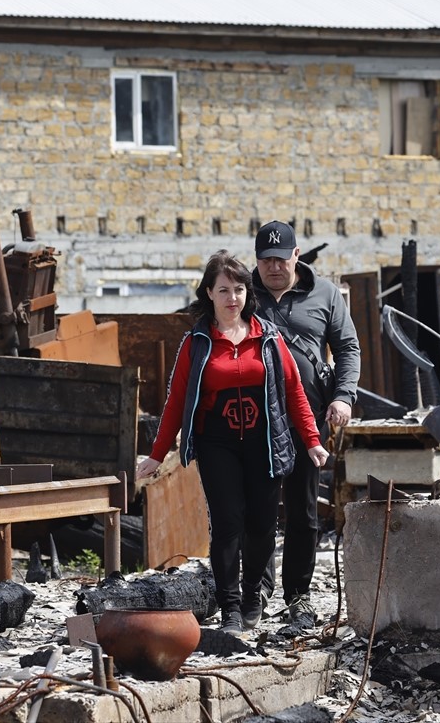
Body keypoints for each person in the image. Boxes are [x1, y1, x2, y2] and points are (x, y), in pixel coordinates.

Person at [138, 250, 329, 634]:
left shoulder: (269, 338)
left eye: (239, 289)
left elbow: (294, 392)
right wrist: (157, 455)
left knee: (260, 524)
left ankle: (252, 596)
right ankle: (229, 608)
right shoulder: (197, 342)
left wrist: (312, 441)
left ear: (247, 293)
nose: (232, 298)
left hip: (264, 442)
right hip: (218, 443)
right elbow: (176, 399)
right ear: (209, 293)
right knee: (227, 524)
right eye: (223, 290)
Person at [252, 220, 360, 630]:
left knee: (302, 511)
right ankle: (257, 591)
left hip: (308, 419)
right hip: (254, 419)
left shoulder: (326, 293)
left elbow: (348, 347)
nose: (274, 268)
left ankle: (298, 594)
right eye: (266, 260)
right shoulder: (243, 293)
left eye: (281, 259)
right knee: (257, 510)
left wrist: (343, 396)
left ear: (297, 255)